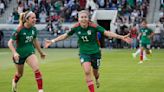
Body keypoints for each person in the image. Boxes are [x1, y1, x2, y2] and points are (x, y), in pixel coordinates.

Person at [44, 10, 131, 92]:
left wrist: (121, 37)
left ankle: (97, 79)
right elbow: (65, 35)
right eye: (81, 17)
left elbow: (107, 33)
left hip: (95, 52)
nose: (83, 19)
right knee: (87, 71)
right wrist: (52, 41)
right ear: (78, 19)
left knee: (96, 73)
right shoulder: (75, 27)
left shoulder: (94, 26)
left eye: (85, 17)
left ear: (88, 18)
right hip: (84, 52)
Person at [8, 11, 46, 92]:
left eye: (35, 18)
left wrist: (41, 53)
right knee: (19, 74)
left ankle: (40, 90)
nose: (35, 19)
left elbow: (35, 42)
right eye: (33, 18)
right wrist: (15, 53)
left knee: (36, 69)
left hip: (30, 52)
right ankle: (14, 81)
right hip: (19, 55)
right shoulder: (19, 29)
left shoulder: (34, 29)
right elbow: (9, 43)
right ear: (27, 19)